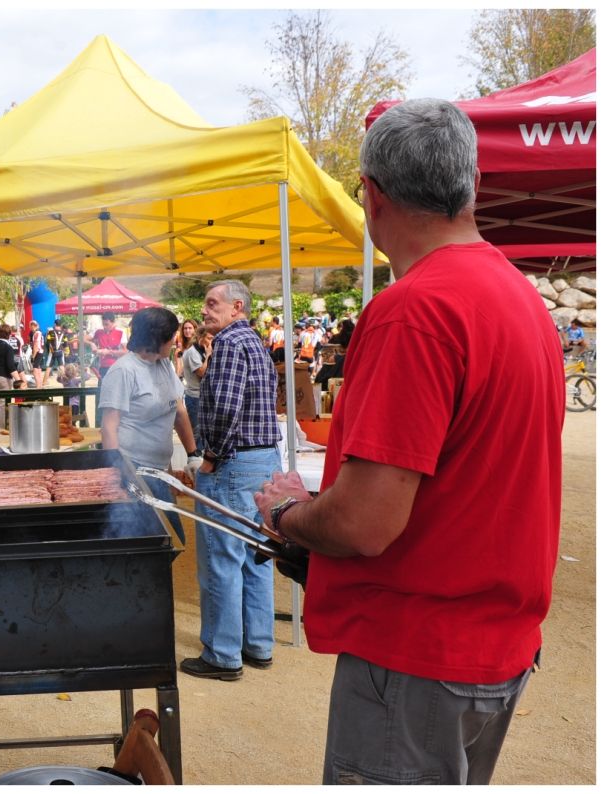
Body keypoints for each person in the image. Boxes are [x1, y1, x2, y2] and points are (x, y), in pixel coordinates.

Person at [253, 98, 563, 785]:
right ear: (472, 186)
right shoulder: (516, 297)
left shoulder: (415, 309)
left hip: (419, 655)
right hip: (491, 645)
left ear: (372, 194)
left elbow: (365, 524)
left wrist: (285, 514)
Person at [183, 279, 280, 682]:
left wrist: (210, 456)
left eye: (212, 304)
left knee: (221, 558)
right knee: (255, 555)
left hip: (233, 463)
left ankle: (223, 654)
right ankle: (258, 645)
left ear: (236, 306)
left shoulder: (227, 344)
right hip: (262, 460)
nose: (205, 311)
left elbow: (224, 408)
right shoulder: (254, 341)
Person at [99, 307, 199, 543]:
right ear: (157, 338)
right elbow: (109, 426)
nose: (176, 340)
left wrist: (193, 454)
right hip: (135, 470)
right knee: (168, 540)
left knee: (168, 540)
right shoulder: (124, 371)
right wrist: (120, 473)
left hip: (159, 470)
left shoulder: (163, 364)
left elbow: (179, 410)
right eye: (173, 335)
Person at [180, 324, 212, 437]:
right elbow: (201, 372)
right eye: (209, 338)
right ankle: (197, 453)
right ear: (201, 338)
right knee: (198, 432)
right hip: (195, 397)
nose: (211, 342)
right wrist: (208, 355)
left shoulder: (202, 350)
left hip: (203, 396)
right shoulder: (193, 352)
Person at [91, 313, 126, 380]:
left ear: (113, 323)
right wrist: (92, 345)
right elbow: (85, 340)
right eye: (103, 324)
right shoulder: (99, 332)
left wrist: (109, 352)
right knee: (102, 389)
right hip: (102, 367)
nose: (104, 327)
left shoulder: (120, 332)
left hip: (116, 367)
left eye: (107, 324)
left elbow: (126, 352)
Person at [44, 318, 69, 382]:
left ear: (55, 324)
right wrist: (66, 351)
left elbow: (48, 342)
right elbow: (65, 344)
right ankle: (65, 382)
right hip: (60, 352)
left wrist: (50, 349)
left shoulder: (51, 332)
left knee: (49, 368)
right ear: (60, 325)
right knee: (61, 367)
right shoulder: (64, 333)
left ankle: (44, 383)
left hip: (52, 352)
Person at [28, 320, 45, 386]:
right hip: (40, 352)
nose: (31, 328)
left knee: (35, 370)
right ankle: (40, 385)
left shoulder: (37, 333)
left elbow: (36, 346)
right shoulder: (39, 332)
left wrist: (33, 356)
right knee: (38, 368)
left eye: (32, 326)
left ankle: (38, 386)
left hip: (38, 352)